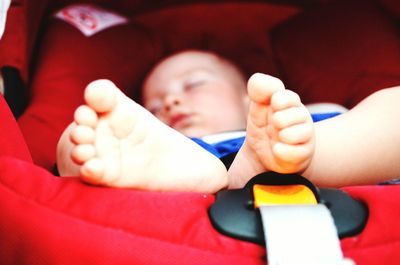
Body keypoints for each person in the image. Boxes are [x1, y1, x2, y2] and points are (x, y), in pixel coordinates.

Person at [56, 50, 400, 193]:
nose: (171, 101)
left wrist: (302, 138)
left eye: (193, 84)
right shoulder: (167, 145)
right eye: (154, 106)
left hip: (321, 150)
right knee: (83, 137)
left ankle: (304, 159)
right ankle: (211, 176)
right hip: (185, 163)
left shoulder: (298, 115)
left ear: (247, 98)